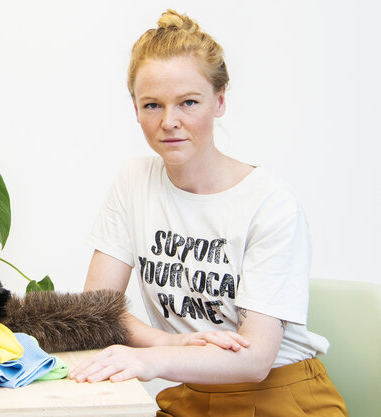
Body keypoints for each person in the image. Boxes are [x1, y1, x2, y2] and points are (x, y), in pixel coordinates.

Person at [68, 10, 347, 416]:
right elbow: (96, 309)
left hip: (281, 395)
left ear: (219, 101)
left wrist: (149, 360)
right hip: (193, 397)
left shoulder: (270, 202)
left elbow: (254, 360)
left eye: (188, 102)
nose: (169, 122)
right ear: (135, 108)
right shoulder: (134, 181)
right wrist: (167, 343)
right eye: (152, 105)